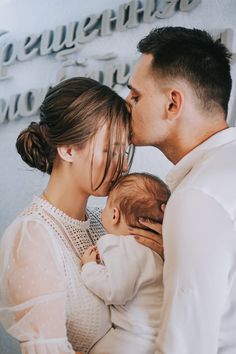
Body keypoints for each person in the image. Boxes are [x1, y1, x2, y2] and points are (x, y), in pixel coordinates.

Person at [0, 76, 139, 354]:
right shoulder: (33, 236)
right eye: (110, 151)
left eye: (124, 152)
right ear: (68, 149)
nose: (123, 165)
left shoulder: (107, 222)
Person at [126, 26, 236, 354]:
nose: (127, 104)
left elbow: (185, 346)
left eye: (136, 96)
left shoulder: (196, 196)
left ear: (173, 103)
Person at [80, 172, 170, 354]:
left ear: (115, 215)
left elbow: (116, 291)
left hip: (132, 338)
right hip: (159, 336)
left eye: (105, 207)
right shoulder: (157, 251)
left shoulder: (117, 244)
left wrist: (89, 267)